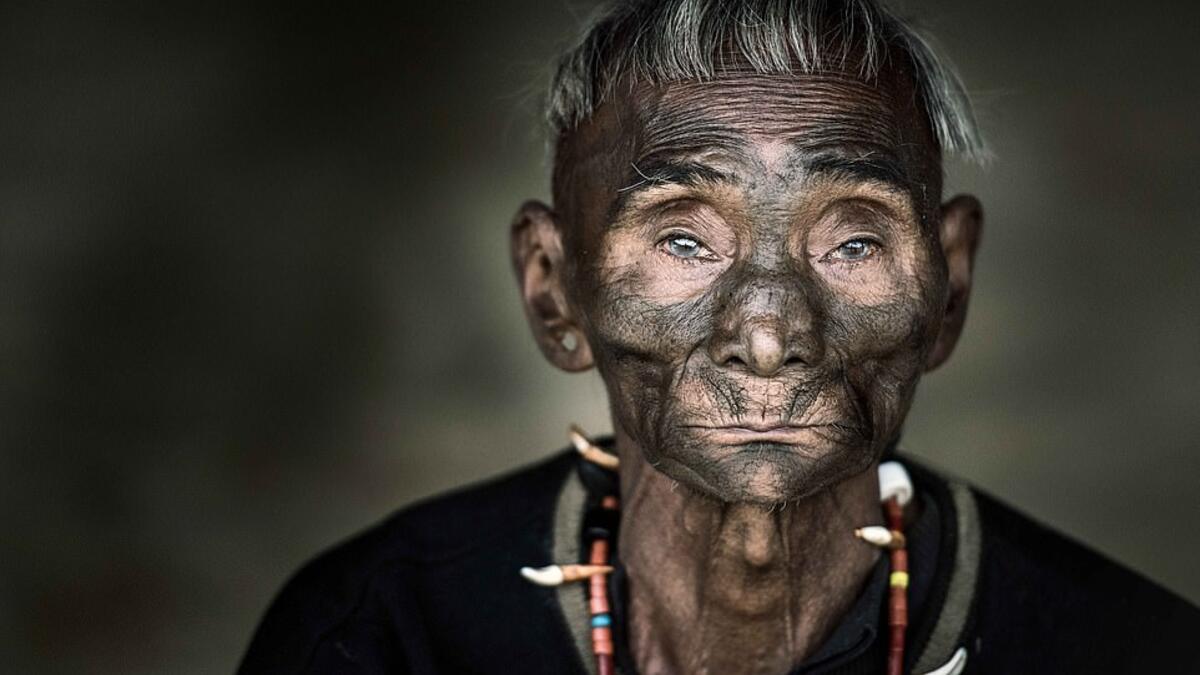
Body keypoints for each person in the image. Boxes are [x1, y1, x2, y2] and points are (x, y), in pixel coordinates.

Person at [239, 0, 1199, 672]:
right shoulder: (384, 634)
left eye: (854, 237)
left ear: (948, 286)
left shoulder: (1126, 648)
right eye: (684, 239)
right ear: (552, 288)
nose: (770, 334)